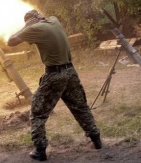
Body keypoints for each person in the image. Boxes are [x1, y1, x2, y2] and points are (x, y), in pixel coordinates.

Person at [7, 9, 102, 161]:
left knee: (37, 112)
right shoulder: (54, 20)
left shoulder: (34, 28)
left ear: (30, 21)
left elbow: (10, 42)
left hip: (54, 75)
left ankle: (40, 150)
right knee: (80, 107)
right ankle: (96, 140)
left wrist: (26, 27)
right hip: (70, 72)